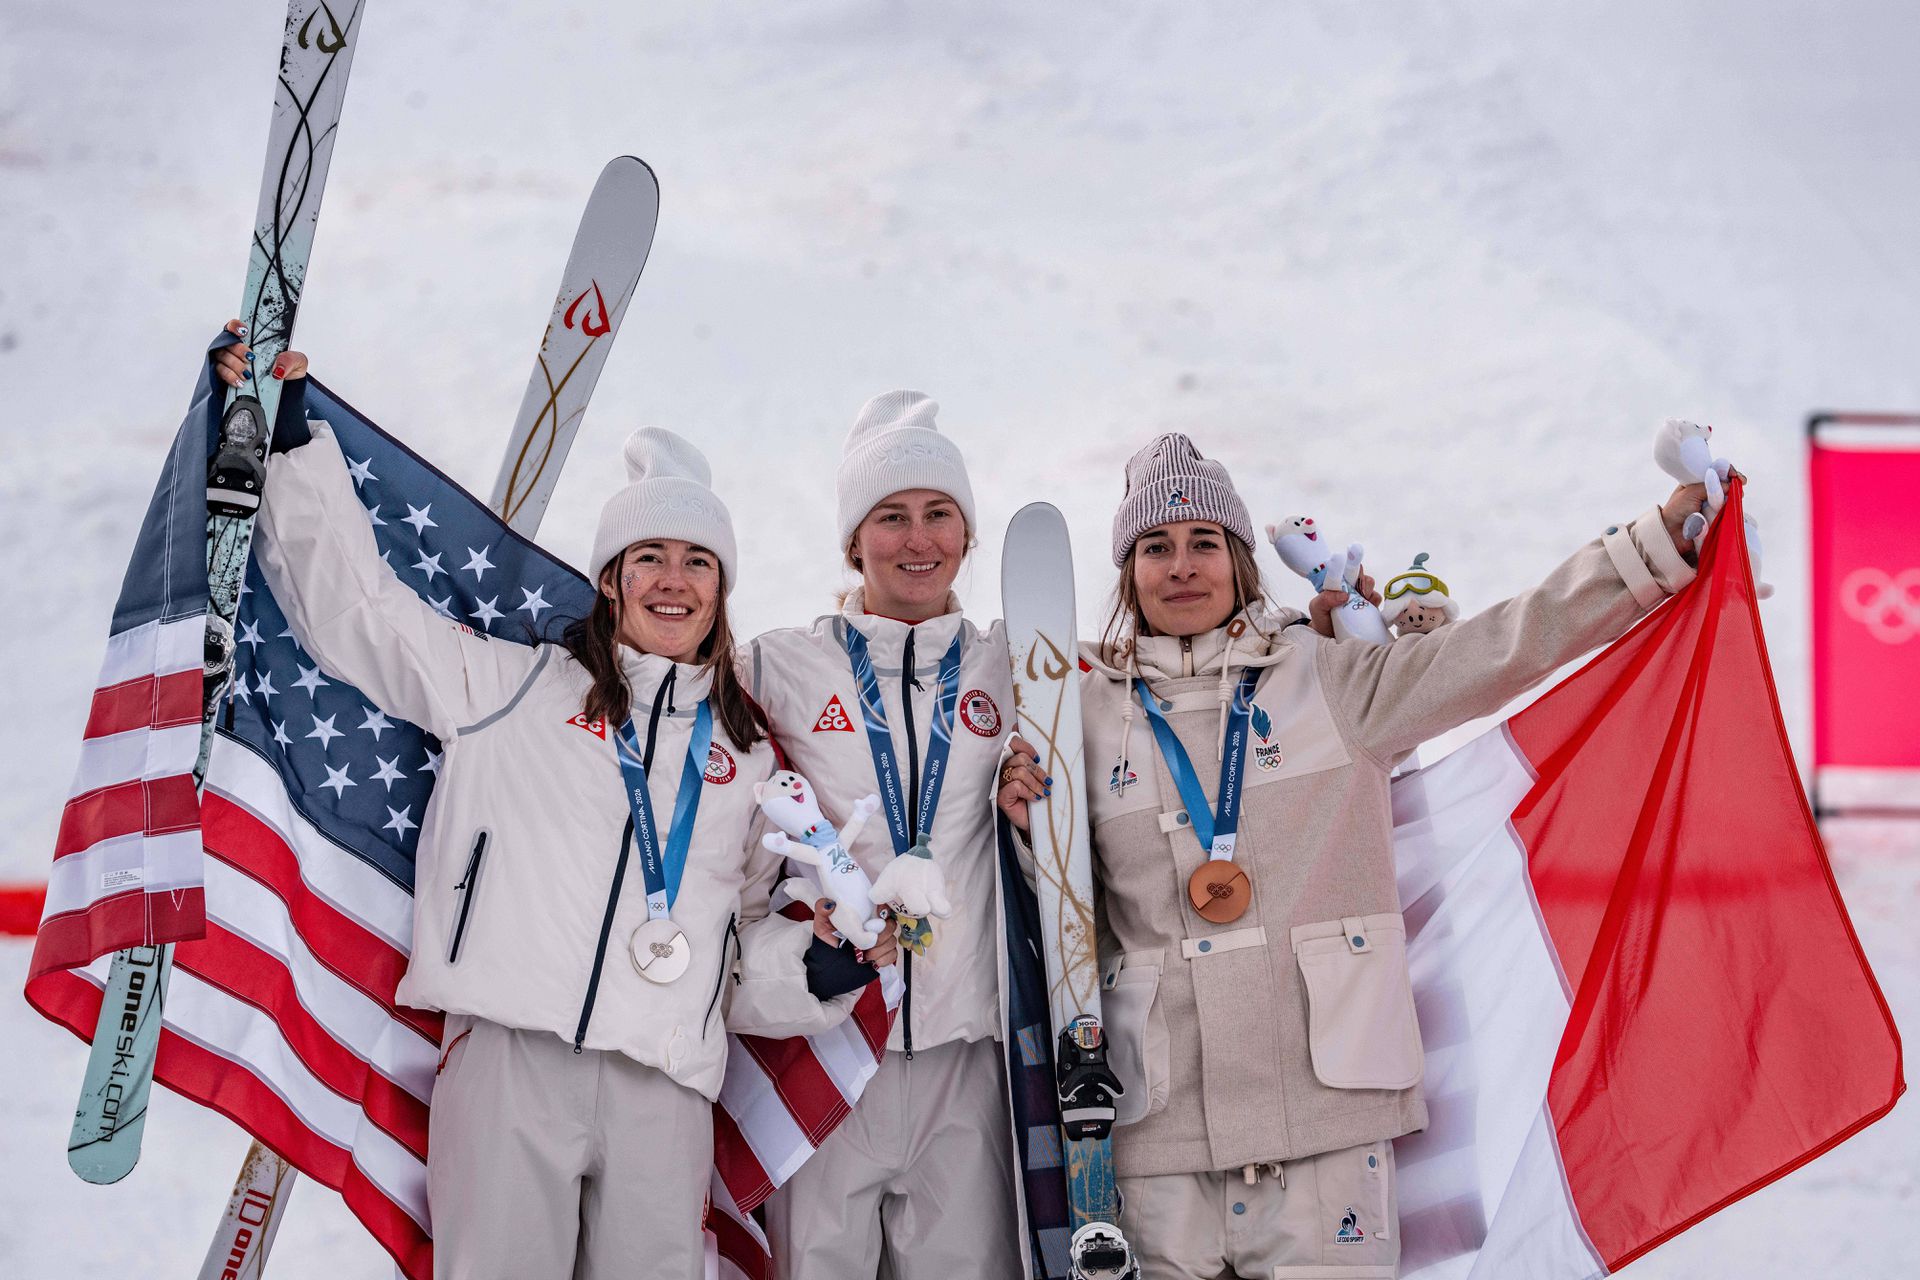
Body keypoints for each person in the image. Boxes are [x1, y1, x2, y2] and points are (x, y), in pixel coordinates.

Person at [211, 325, 887, 1280]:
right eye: (649, 557)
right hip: (511, 1060)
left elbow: (730, 955)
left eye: (697, 562)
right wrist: (289, 440)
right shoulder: (514, 690)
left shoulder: (742, 759)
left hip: (663, 1090)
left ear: (722, 588)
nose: (673, 582)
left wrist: (816, 965)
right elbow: (361, 615)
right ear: (610, 578)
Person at [998, 432, 1711, 1279]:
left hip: (1327, 1133)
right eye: (1155, 547)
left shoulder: (1333, 681)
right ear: (1128, 572)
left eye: (1204, 543)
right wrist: (1026, 831)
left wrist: (1650, 550)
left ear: (1240, 562)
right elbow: (1070, 925)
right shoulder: (1078, 713)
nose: (1181, 566)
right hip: (1161, 1145)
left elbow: (1503, 645)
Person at [745, 391, 1031, 1279]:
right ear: (853, 542)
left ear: (968, 534)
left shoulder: (1015, 664)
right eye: (891, 516)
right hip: (827, 1048)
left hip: (964, 1054)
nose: (918, 539)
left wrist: (1320, 629)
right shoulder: (779, 666)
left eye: (939, 513)